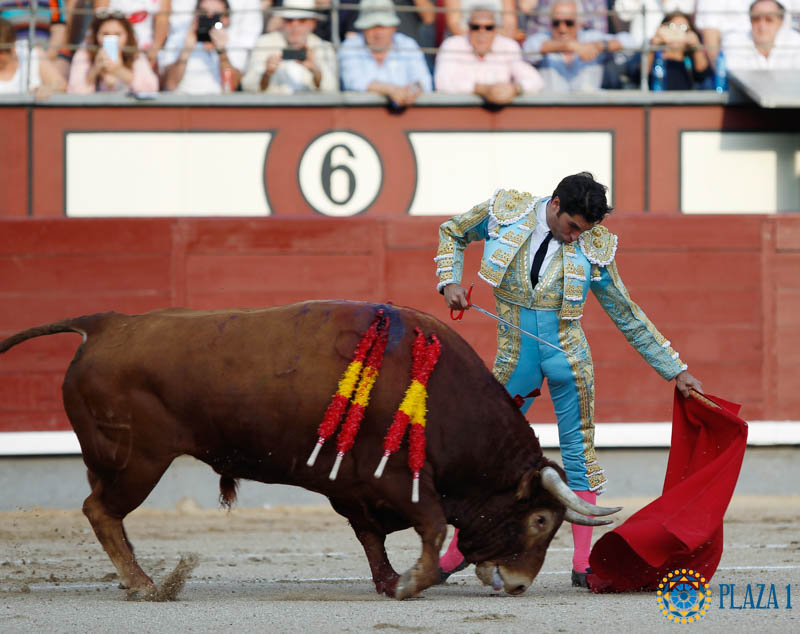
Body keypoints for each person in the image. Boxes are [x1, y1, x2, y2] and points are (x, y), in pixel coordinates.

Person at [434, 172, 703, 588]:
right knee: (486, 455)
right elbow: (452, 231)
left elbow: (626, 313)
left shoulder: (595, 246)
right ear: (556, 204)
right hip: (514, 355)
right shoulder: (506, 213)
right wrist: (449, 279)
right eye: (573, 227)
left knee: (579, 454)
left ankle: (583, 563)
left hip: (569, 359)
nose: (578, 237)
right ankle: (456, 554)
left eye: (586, 230)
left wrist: (675, 368)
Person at [435, 6, 544, 104]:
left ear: (496, 30)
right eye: (476, 27)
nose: (482, 32)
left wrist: (514, 89)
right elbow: (442, 82)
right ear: (468, 28)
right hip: (459, 118)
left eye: (488, 28)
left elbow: (535, 80)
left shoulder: (508, 46)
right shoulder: (452, 45)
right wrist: (481, 89)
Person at [523, 0, 635, 91]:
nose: (562, 29)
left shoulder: (590, 38)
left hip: (589, 113)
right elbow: (528, 50)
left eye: (568, 23)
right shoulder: (542, 38)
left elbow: (630, 42)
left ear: (579, 23)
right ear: (550, 23)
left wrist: (598, 46)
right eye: (556, 23)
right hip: (550, 113)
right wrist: (569, 45)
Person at [339, 0, 432, 108]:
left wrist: (410, 92)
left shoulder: (408, 45)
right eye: (372, 26)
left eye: (383, 26)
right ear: (362, 28)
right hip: (359, 119)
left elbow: (423, 82)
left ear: (393, 27)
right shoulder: (350, 46)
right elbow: (353, 82)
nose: (378, 33)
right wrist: (391, 90)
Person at [241, 0, 337, 93]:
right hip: (274, 107)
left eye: (302, 20)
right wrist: (266, 75)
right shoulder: (264, 43)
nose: (295, 26)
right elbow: (247, 86)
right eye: (289, 20)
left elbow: (333, 89)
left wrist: (315, 71)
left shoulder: (324, 48)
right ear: (282, 21)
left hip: (310, 108)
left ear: (313, 23)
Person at [162, 0, 246, 93]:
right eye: (203, 12)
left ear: (226, 19)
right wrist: (186, 50)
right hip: (183, 102)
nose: (208, 18)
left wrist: (222, 52)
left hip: (218, 104)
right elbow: (170, 85)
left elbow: (232, 86)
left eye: (216, 15)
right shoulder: (179, 38)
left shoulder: (233, 43)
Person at [67, 9, 159, 92]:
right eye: (105, 34)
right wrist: (95, 70)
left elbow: (151, 89)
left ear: (127, 35)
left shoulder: (135, 55)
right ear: (96, 35)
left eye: (117, 34)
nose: (111, 39)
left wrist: (119, 70)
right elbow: (74, 91)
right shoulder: (84, 54)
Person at [723, 0, 800, 69]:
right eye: (756, 19)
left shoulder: (795, 42)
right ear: (750, 20)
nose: (762, 25)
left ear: (781, 22)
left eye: (769, 19)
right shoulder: (734, 43)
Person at [0, 16, 66, 95]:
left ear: (13, 45)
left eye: (1, 51)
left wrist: (48, 89)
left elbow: (61, 85)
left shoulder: (31, 52)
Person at [646, 11, 711, 89]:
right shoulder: (655, 56)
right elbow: (642, 73)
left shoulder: (689, 60)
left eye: (683, 28)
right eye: (672, 26)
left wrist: (696, 46)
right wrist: (653, 45)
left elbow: (702, 73)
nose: (677, 32)